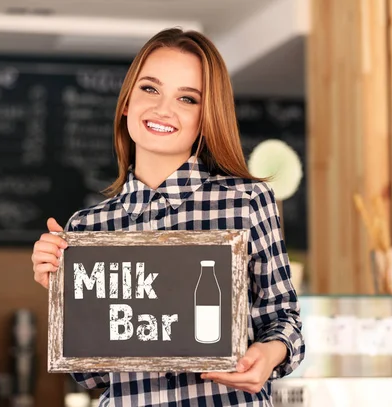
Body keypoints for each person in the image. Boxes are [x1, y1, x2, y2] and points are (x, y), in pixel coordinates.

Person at [31, 27, 305, 406]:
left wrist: (267, 355)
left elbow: (285, 319)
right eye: (150, 89)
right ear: (126, 102)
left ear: (205, 117)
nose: (163, 109)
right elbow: (91, 374)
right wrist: (62, 290)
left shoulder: (246, 202)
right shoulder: (87, 228)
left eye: (187, 98)